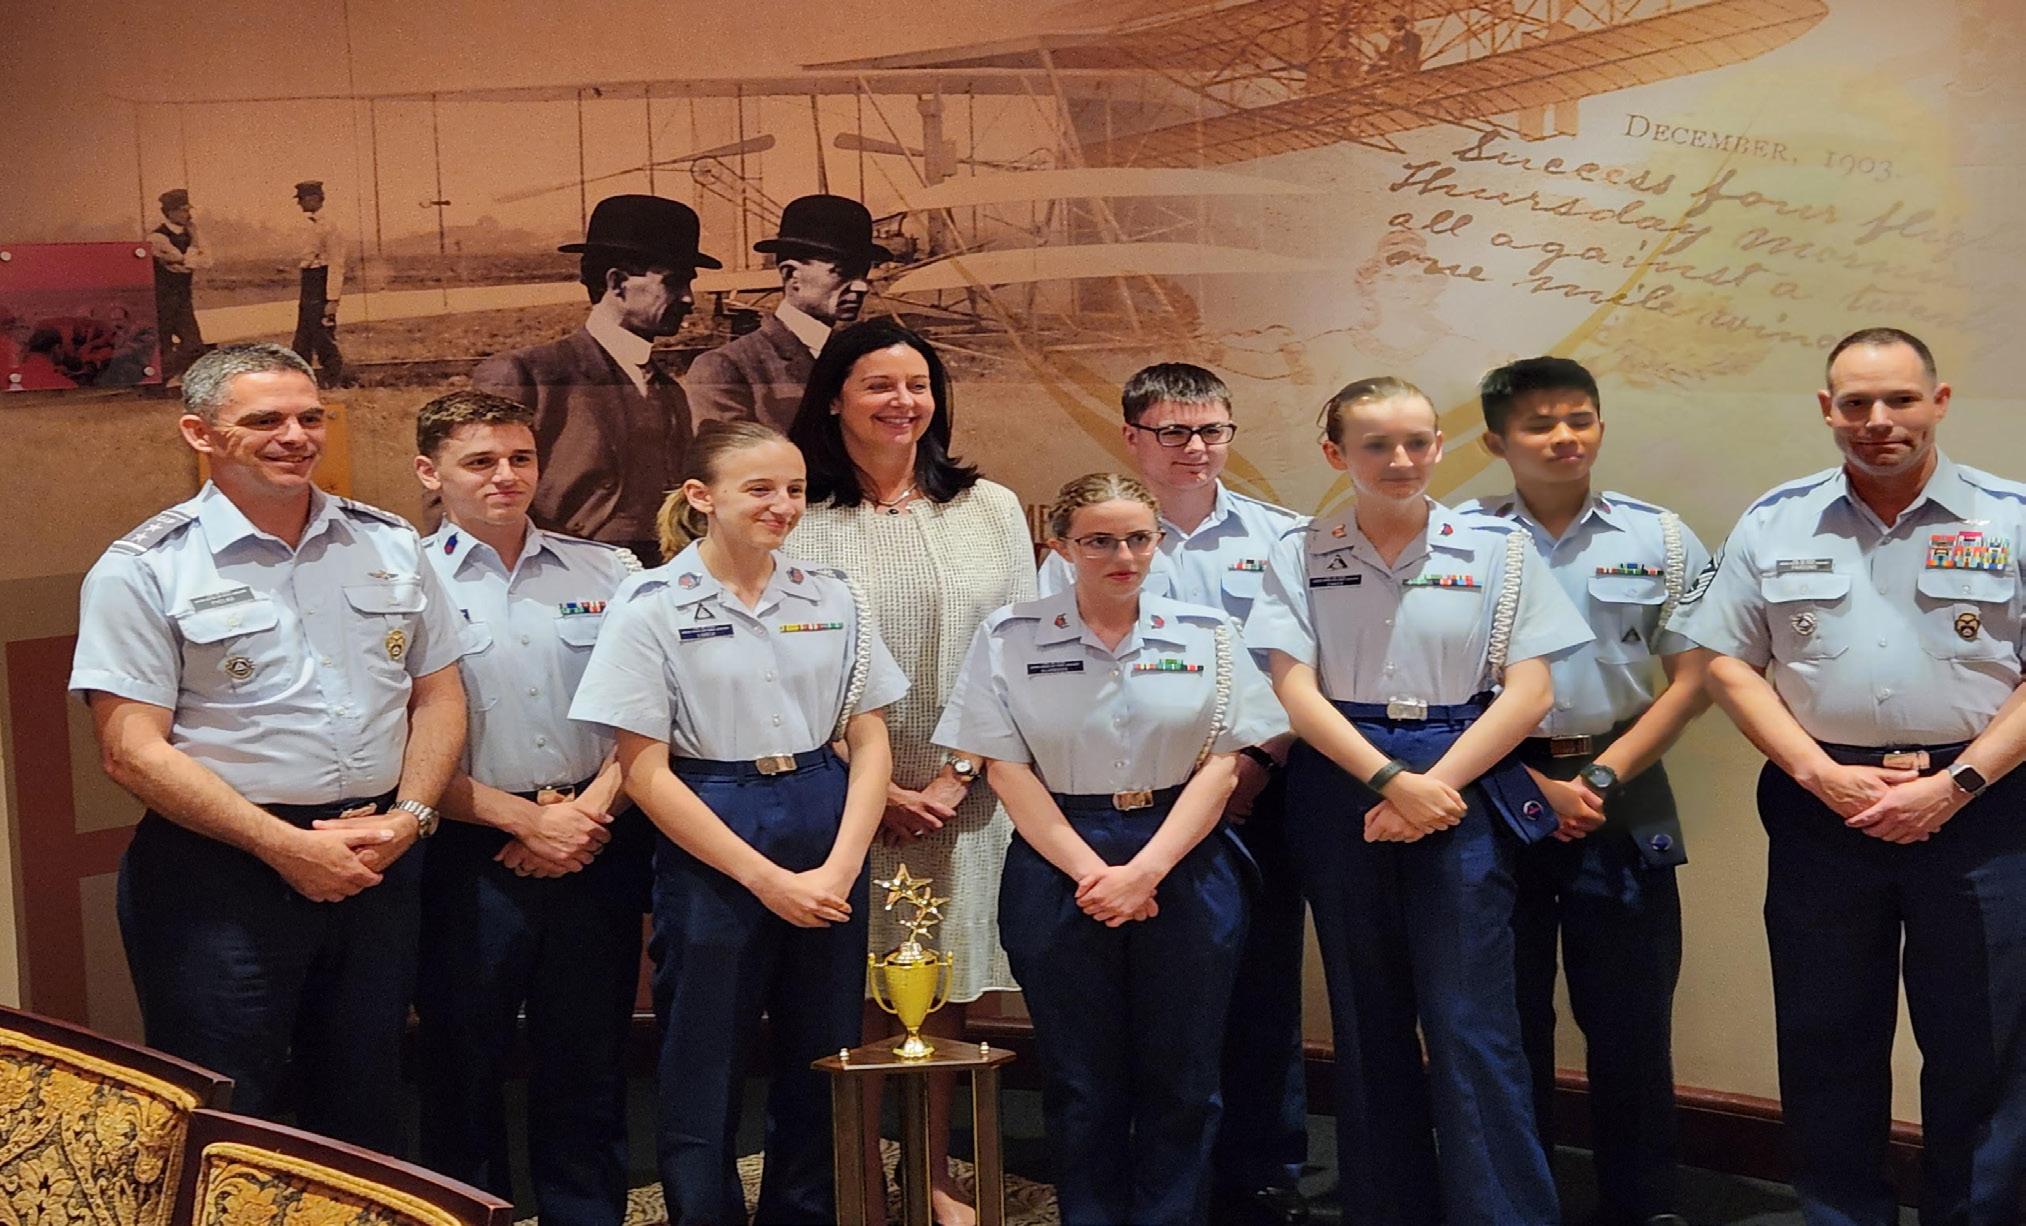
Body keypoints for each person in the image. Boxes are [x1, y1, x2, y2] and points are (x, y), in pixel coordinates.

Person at [68, 342, 466, 1153]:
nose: (295, 436)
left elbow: (439, 694)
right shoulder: (146, 568)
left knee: (364, 1111)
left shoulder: (389, 542)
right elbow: (130, 750)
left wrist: (411, 817)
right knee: (226, 1117)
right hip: (222, 877)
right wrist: (283, 848)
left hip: (375, 861)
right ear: (200, 433)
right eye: (264, 421)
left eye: (310, 417)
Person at [1671, 326, 2026, 1224]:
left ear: (1939, 402)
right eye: (1856, 403)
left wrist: (1957, 786)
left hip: (1981, 807)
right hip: (1823, 811)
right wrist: (1817, 773)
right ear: (1827, 410)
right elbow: (1727, 662)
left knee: (1983, 1042)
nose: (1879, 420)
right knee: (1825, 1036)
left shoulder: (2011, 517)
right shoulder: (1777, 519)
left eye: (1900, 399)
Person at [1245, 376, 1590, 1225]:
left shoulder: (1500, 549)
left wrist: (1435, 784)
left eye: (1416, 442)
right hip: (1343, 773)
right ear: (1335, 454)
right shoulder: (1299, 551)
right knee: (1367, 1020)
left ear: (1439, 446)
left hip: (1462, 767)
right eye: (1375, 444)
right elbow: (1293, 688)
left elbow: (1531, 690)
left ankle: (1503, 1213)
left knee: (1473, 1020)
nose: (1399, 459)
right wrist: (1389, 781)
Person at [568, 420, 907, 1225]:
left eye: (794, 489)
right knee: (705, 1056)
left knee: (824, 1050)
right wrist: (764, 879)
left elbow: (869, 739)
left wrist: (840, 866)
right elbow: (644, 770)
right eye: (759, 489)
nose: (782, 505)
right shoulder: (651, 605)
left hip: (824, 811)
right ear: (702, 497)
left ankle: (805, 1211)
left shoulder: (833, 594)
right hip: (713, 816)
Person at [935, 471, 1284, 1226]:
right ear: (1061, 546)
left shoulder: (1206, 633)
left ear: (1157, 543)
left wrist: (1146, 871)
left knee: (1185, 1079)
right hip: (1060, 858)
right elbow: (1005, 768)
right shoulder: (1009, 637)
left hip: (1184, 856)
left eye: (1138, 539)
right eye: (1098, 541)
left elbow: (1225, 764)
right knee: (1080, 1081)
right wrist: (1095, 874)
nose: (1122, 556)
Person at [1036, 362, 1309, 1226]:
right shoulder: (1086, 538)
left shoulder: (1283, 539)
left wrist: (1252, 766)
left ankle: (1261, 1171)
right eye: (1173, 432)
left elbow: (1303, 671)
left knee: (1260, 985)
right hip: (1127, 810)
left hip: (1257, 791)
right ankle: (1135, 1180)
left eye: (1212, 430)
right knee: (1138, 1005)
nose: (1196, 448)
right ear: (1132, 437)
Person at [784, 317, 1034, 1226]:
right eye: (879, 385)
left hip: (965, 794)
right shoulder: (797, 511)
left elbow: (1015, 650)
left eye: (918, 385)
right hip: (843, 792)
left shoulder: (990, 506)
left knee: (944, 987)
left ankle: (932, 1172)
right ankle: (858, 1174)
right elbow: (782, 663)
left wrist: (956, 774)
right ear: (834, 399)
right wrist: (875, 786)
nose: (903, 402)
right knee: (854, 991)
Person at [1457, 356, 1712, 1226]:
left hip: (1620, 787)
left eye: (1580, 418)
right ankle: (1517, 1202)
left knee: (1633, 1017)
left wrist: (1599, 777)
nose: (1565, 437)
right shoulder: (1458, 539)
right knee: (1503, 1019)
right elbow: (1436, 687)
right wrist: (1531, 786)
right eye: (1539, 424)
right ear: (1496, 441)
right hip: (1493, 787)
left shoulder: (1661, 539)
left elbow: (1693, 680)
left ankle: (1645, 1204)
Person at [409, 390, 648, 1224]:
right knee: (460, 1061)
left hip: (595, 839)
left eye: (521, 458)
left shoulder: (609, 572)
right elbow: (393, 738)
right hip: (466, 847)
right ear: (430, 473)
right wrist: (523, 822)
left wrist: (584, 817)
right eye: (480, 461)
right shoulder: (400, 580)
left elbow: (652, 711)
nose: (505, 476)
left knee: (588, 1059)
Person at [472, 193, 719, 567]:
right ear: (617, 283)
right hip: (551, 578)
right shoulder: (529, 376)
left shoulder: (670, 393)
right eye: (674, 282)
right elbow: (463, 497)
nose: (688, 299)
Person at [689, 194, 891, 432]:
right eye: (842, 272)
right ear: (791, 275)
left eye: (863, 274)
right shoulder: (726, 368)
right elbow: (734, 455)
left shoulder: (865, 359)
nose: (861, 286)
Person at [148, 188, 210, 381]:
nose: (188, 215)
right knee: (164, 343)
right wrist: (194, 248)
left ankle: (168, 377)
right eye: (183, 210)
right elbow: (185, 260)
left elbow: (207, 261)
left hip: (183, 297)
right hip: (162, 297)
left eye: (188, 210)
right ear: (170, 212)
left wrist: (188, 257)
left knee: (194, 344)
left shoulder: (192, 233)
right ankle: (158, 383)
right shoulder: (157, 237)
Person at [291, 180, 346, 386]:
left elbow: (336, 264)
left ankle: (334, 377)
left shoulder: (330, 226)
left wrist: (332, 299)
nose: (299, 204)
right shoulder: (310, 224)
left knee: (321, 333)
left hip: (321, 281)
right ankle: (299, 377)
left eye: (302, 199)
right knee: (303, 333)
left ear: (315, 198)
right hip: (309, 280)